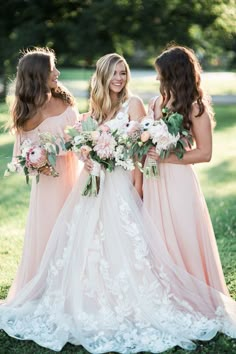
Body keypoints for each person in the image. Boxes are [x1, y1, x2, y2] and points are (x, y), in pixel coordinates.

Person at [0, 53, 235, 353]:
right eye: (114, 73)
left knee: (127, 246)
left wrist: (138, 188)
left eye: (123, 72)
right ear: (102, 76)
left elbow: (139, 152)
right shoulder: (95, 110)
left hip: (122, 184)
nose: (120, 79)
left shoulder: (134, 104)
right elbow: (85, 146)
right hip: (94, 183)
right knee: (85, 245)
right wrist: (86, 154)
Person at [143, 44, 230, 295]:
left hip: (178, 179)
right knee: (156, 237)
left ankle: (191, 293)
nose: (157, 77)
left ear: (174, 73)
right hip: (153, 179)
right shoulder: (155, 102)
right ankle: (162, 295)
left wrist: (167, 157)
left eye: (161, 72)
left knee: (183, 235)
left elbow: (205, 153)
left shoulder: (195, 107)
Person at [4, 47, 79, 302]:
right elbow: (25, 157)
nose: (57, 72)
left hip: (75, 175)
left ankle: (76, 286)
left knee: (77, 228)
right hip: (49, 185)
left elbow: (79, 135)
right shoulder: (27, 113)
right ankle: (47, 290)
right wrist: (40, 162)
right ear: (38, 75)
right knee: (50, 233)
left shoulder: (65, 99)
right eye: (51, 69)